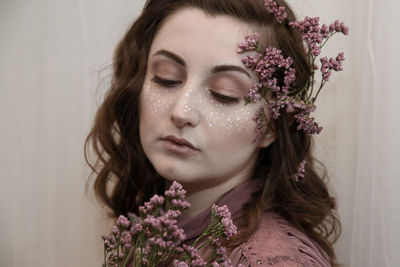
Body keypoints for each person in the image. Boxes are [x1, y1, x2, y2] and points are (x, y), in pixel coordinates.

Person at [85, 0, 342, 266]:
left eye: (224, 94)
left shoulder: (272, 260)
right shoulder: (151, 229)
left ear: (271, 127)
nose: (181, 112)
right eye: (166, 77)